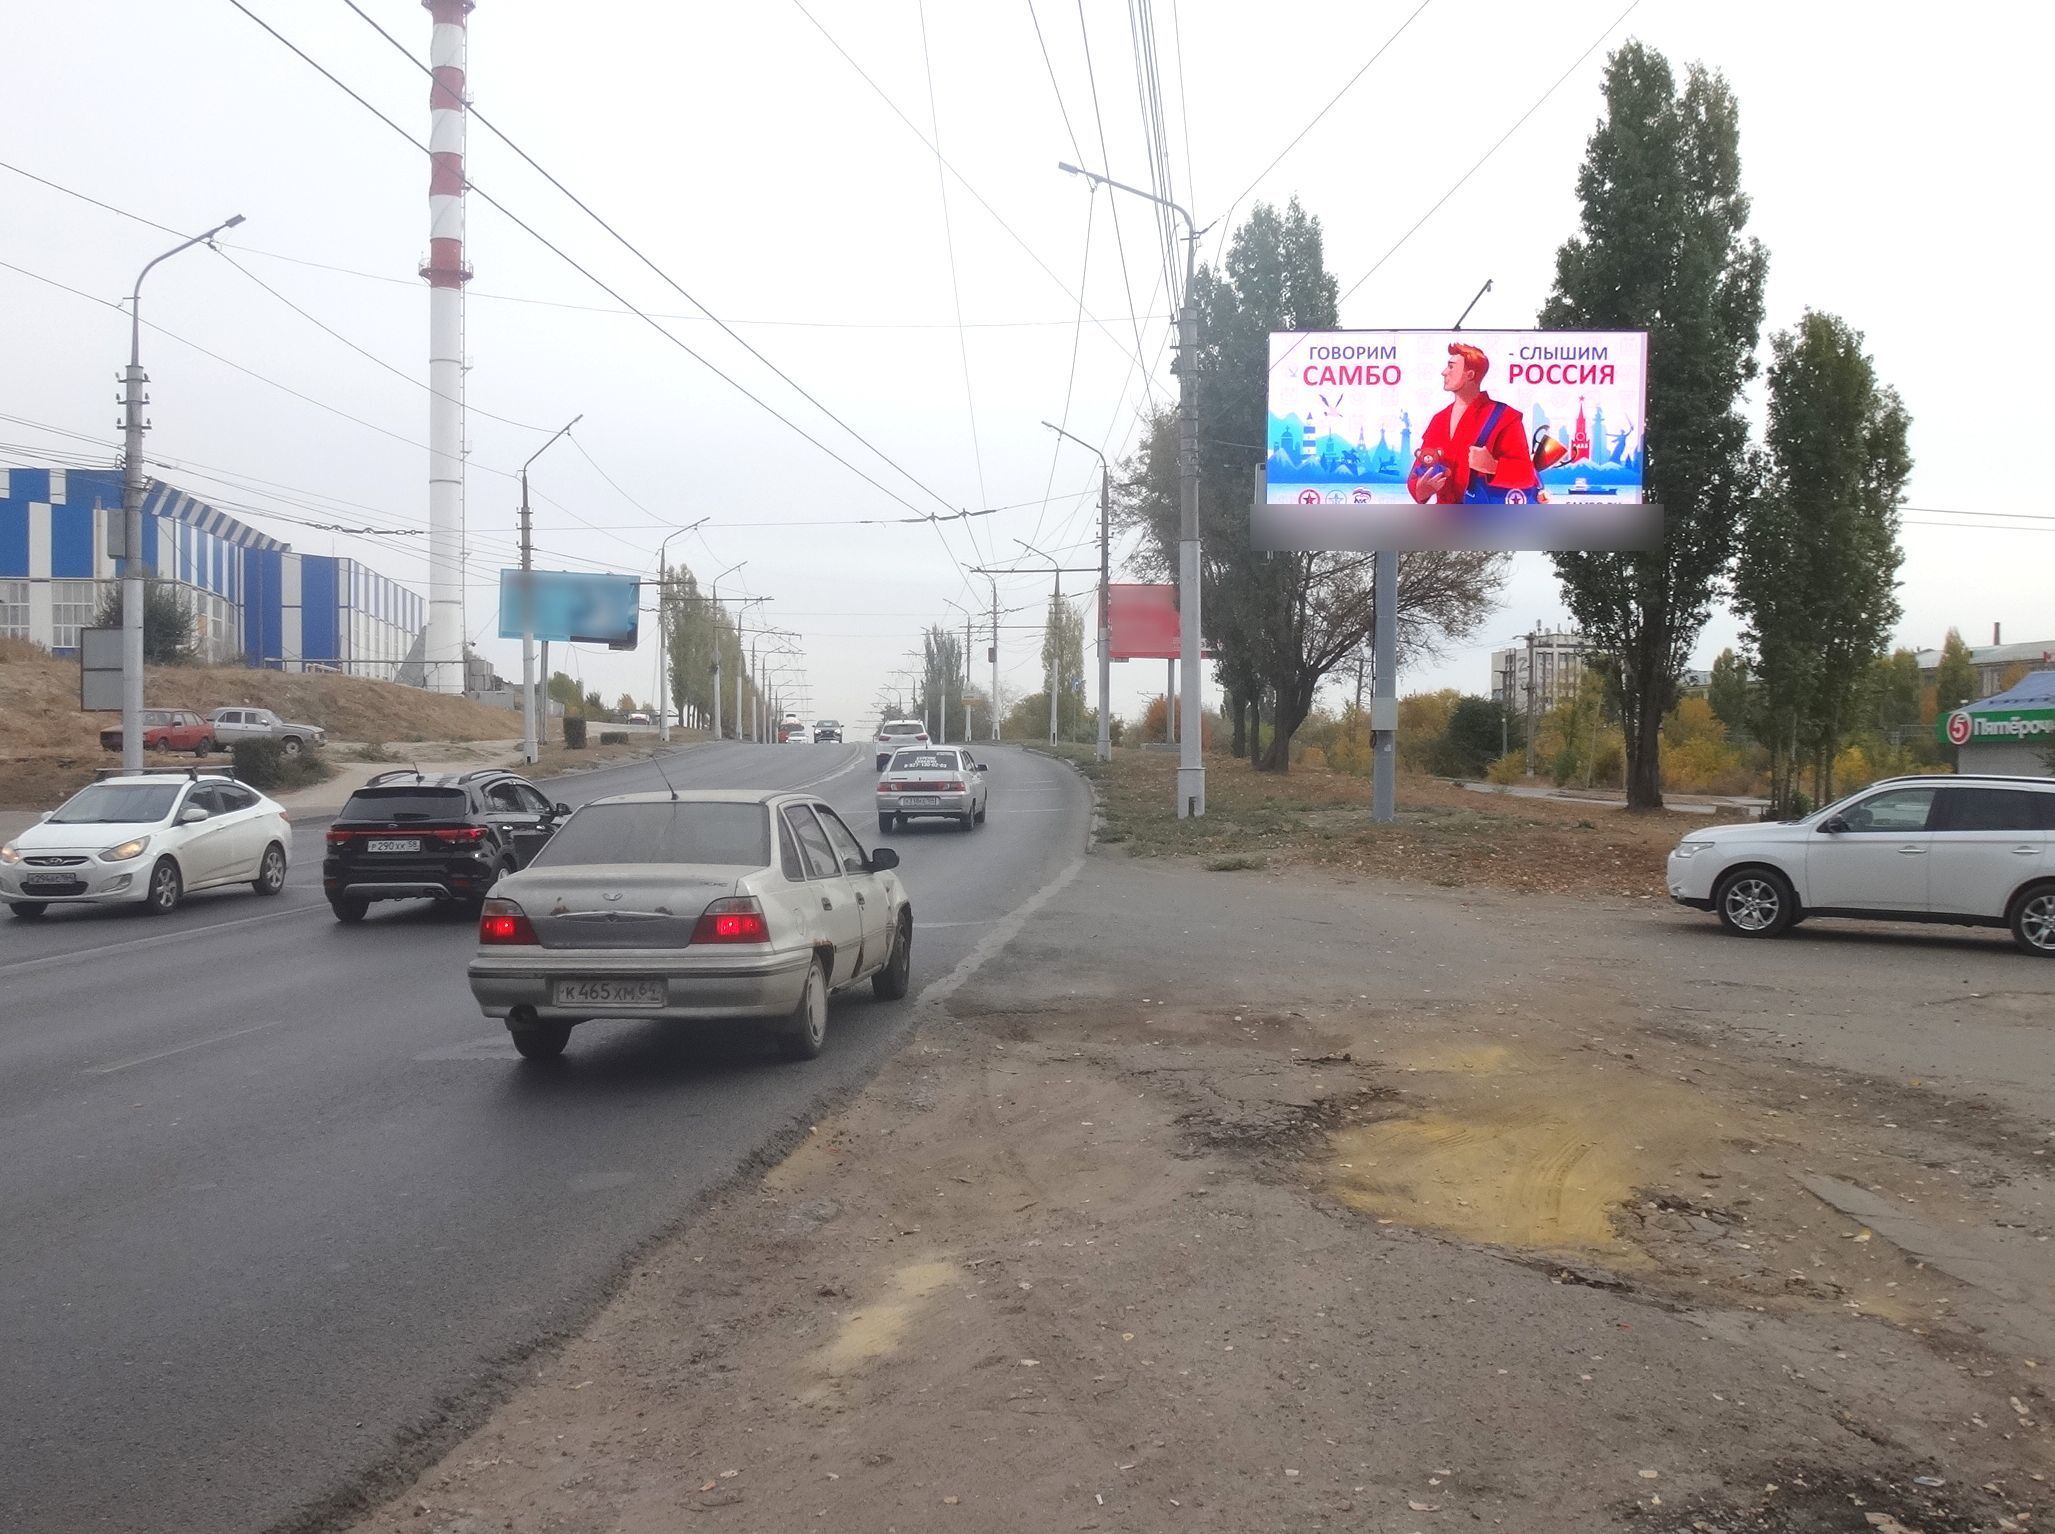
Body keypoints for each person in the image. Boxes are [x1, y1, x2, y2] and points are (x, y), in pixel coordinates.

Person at [1406, 343, 1541, 505]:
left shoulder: (1504, 417)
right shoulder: (1438, 420)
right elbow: (1418, 471)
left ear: (1470, 374)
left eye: (1451, 367)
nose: (1444, 372)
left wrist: (1493, 467)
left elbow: (1526, 475)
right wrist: (1420, 489)